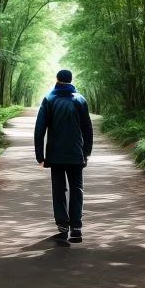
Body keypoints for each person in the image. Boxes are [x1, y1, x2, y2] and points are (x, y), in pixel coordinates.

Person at [34, 70, 93, 243]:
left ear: (57, 80)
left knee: (59, 190)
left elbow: (40, 129)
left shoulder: (49, 99)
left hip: (55, 155)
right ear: (71, 81)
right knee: (77, 188)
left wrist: (40, 156)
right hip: (76, 154)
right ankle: (76, 228)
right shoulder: (80, 100)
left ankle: (62, 226)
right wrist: (86, 152)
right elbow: (87, 129)